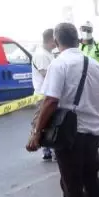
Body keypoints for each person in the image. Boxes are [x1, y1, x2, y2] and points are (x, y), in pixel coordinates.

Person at [26, 22, 99, 197]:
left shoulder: (59, 64)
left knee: (70, 183)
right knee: (90, 175)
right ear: (78, 40)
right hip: (93, 132)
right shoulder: (97, 65)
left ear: (56, 41)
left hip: (70, 135)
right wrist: (94, 116)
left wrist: (37, 133)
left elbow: (51, 101)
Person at [31, 28, 57, 161]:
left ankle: (48, 150)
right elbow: (46, 74)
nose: (57, 42)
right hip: (43, 95)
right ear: (51, 40)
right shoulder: (41, 55)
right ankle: (48, 150)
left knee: (49, 122)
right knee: (44, 122)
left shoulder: (49, 53)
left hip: (48, 94)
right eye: (55, 39)